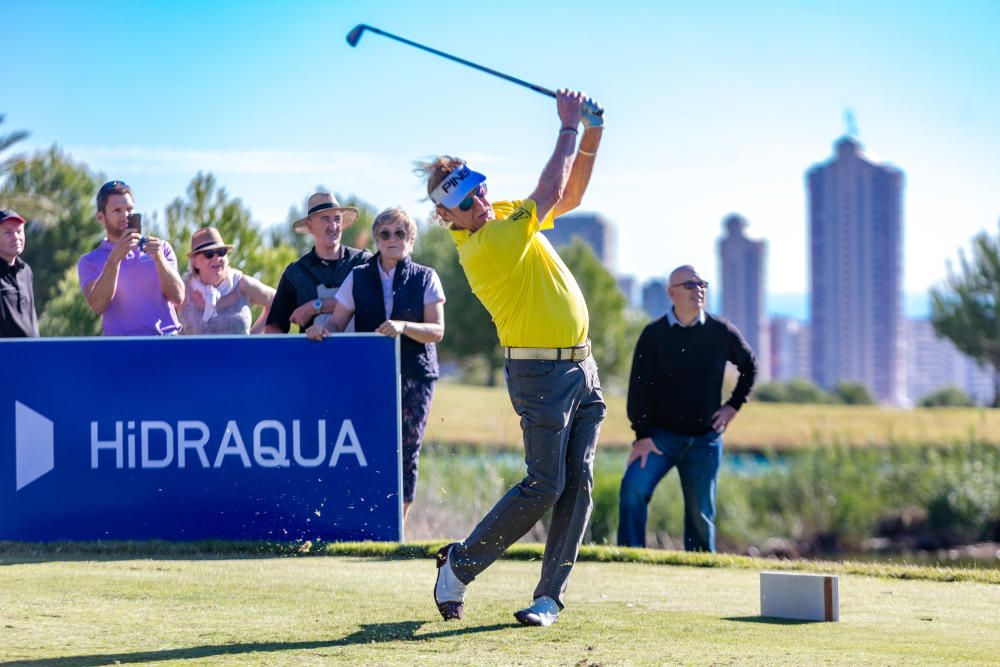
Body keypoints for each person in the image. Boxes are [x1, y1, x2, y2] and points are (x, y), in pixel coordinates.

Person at [424, 89, 606, 628]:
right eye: (467, 201)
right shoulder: (486, 245)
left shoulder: (500, 215)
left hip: (582, 368)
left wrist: (591, 135)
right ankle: (459, 565)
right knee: (545, 484)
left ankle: (549, 596)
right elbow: (550, 190)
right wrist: (568, 126)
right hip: (541, 376)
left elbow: (567, 196)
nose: (480, 202)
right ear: (444, 215)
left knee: (580, 482)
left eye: (480, 191)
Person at [305, 207, 445, 520]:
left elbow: (437, 331)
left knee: (408, 448)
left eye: (400, 234)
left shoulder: (426, 277)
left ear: (410, 240)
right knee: (370, 446)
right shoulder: (357, 278)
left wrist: (403, 327)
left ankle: (399, 526)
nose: (392, 239)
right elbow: (338, 323)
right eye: (385, 234)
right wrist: (320, 329)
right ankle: (369, 520)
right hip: (372, 376)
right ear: (377, 240)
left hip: (415, 374)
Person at [617, 265, 758, 552]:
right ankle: (629, 559)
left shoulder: (721, 331)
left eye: (702, 284)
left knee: (701, 517)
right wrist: (642, 436)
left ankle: (702, 572)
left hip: (705, 440)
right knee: (633, 490)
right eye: (690, 285)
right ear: (672, 293)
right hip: (658, 439)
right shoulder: (653, 334)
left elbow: (749, 366)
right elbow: (638, 390)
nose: (699, 290)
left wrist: (732, 407)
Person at [78, 180, 185, 335]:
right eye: (117, 210)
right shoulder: (89, 261)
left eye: (129, 209)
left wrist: (159, 259)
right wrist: (114, 259)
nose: (125, 215)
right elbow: (98, 305)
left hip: (166, 343)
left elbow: (178, 297)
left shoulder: (160, 248)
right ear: (101, 217)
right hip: (121, 350)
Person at [265, 193, 372, 334]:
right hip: (311, 355)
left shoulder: (362, 262)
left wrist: (314, 306)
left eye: (337, 219)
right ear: (310, 226)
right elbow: (274, 327)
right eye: (325, 219)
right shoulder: (296, 274)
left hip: (362, 353)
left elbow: (371, 302)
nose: (333, 226)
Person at [179, 227, 276, 335]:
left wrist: (252, 338)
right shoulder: (183, 290)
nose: (216, 258)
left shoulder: (241, 284)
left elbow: (277, 301)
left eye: (221, 252)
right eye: (209, 254)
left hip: (240, 352)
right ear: (194, 262)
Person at [0, 209, 38, 338]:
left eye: (19, 231)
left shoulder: (26, 271)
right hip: (5, 355)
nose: (16, 237)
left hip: (32, 353)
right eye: (8, 232)